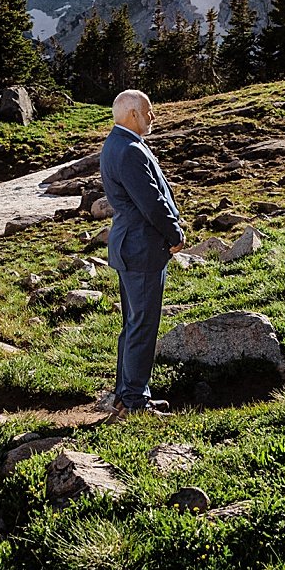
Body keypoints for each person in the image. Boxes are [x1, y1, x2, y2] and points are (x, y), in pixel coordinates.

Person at [97, 89, 184, 418]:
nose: (152, 117)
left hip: (129, 245)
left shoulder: (114, 144)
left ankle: (125, 395)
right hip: (142, 247)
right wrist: (175, 233)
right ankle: (135, 401)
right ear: (132, 114)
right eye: (148, 111)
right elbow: (151, 202)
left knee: (133, 324)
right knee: (143, 325)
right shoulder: (130, 150)